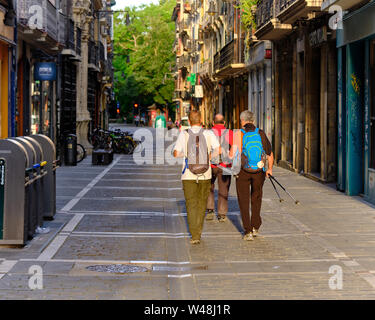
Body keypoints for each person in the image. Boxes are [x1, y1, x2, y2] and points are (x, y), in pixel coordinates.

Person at [173, 110, 220, 245]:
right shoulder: (209, 133)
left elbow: (176, 153)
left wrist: (188, 156)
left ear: (189, 121)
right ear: (201, 120)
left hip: (188, 174)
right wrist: (207, 158)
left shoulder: (184, 134)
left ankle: (195, 235)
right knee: (202, 203)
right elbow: (218, 150)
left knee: (191, 204)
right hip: (205, 174)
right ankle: (198, 231)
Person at [230, 110, 274, 241]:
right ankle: (255, 226)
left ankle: (248, 231)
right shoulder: (260, 133)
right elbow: (269, 153)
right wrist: (269, 169)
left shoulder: (239, 134)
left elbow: (232, 155)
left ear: (242, 121)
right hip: (258, 170)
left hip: (243, 171)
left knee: (243, 200)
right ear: (253, 121)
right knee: (256, 197)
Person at [206, 114, 233, 222]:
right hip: (225, 166)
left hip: (210, 165)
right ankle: (221, 214)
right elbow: (235, 149)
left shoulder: (207, 133)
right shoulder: (230, 133)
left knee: (209, 187)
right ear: (224, 123)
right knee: (223, 189)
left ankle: (210, 209)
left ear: (213, 122)